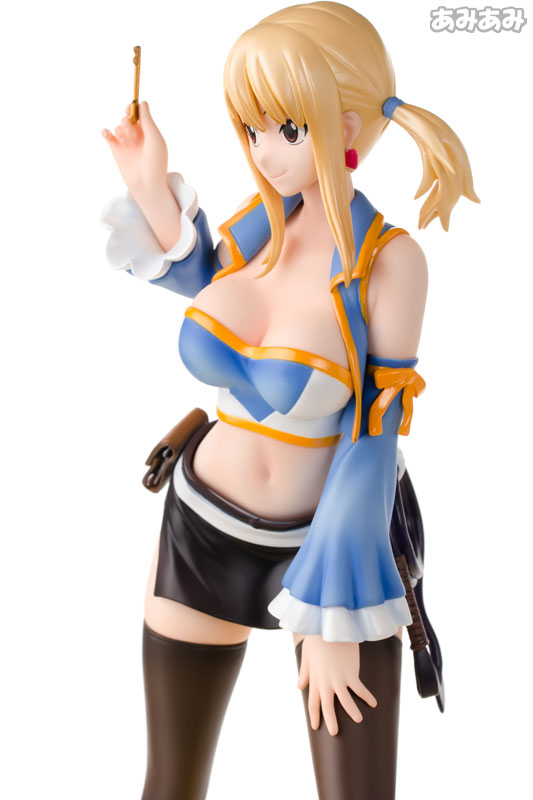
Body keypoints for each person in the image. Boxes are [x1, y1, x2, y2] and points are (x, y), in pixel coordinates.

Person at [101, 3, 478, 798]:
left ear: (346, 127)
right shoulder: (262, 227)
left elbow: (373, 433)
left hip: (334, 543)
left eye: (286, 129)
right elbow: (203, 278)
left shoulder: (389, 263)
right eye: (250, 128)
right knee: (169, 784)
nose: (262, 152)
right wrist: (147, 184)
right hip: (202, 526)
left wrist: (337, 609)